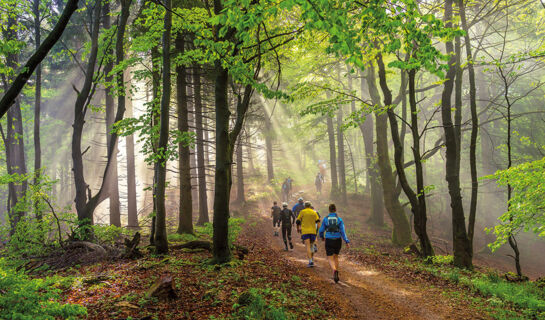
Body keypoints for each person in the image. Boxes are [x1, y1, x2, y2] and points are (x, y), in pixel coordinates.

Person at [319, 204, 350, 283]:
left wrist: (322, 237)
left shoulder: (326, 219)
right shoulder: (339, 219)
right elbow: (343, 231)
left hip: (329, 239)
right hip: (338, 240)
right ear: (335, 210)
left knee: (330, 257)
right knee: (336, 256)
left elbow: (321, 230)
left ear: (329, 210)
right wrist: (346, 241)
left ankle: (334, 270)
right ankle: (336, 272)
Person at [296, 201, 320, 267]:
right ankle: (311, 258)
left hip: (305, 231)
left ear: (305, 206)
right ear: (310, 205)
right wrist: (319, 231)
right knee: (312, 245)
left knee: (308, 246)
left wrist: (298, 228)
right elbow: (318, 222)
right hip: (313, 231)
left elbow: (298, 221)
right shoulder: (314, 212)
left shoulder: (302, 212)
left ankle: (310, 261)